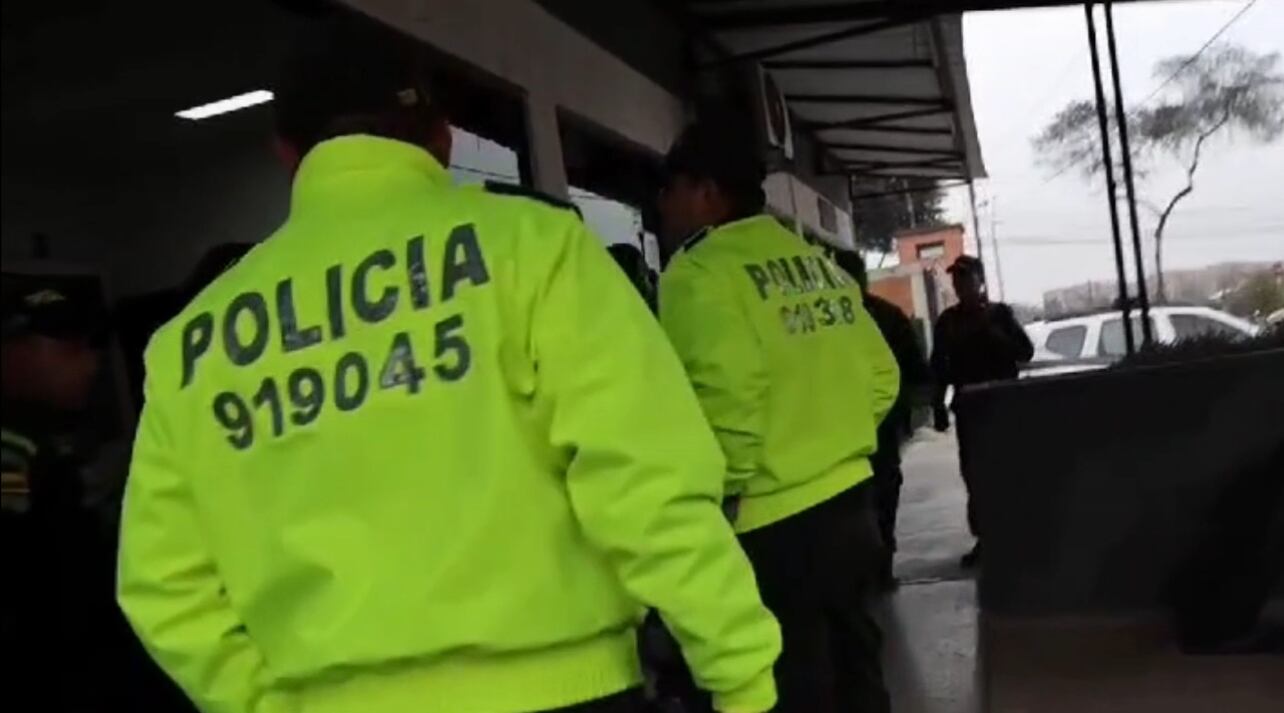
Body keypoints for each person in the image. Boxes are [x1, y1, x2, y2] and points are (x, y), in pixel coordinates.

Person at [116, 17, 779, 713]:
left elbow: (162, 583)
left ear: (286, 154)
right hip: (564, 692)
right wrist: (740, 675)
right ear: (442, 138)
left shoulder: (190, 343)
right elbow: (647, 483)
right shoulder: (536, 250)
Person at [656, 121, 900, 713]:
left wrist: (723, 494)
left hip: (773, 525)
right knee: (859, 673)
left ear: (706, 192)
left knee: (793, 689)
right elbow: (883, 376)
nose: (663, 207)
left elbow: (728, 397)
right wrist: (832, 439)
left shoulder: (699, 273)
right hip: (853, 507)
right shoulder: (816, 262)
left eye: (671, 190)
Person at [834, 250, 931, 589]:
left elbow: (914, 369)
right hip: (871, 426)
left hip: (863, 427)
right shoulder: (880, 315)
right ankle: (875, 567)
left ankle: (873, 568)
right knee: (877, 497)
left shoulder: (850, 319)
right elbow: (916, 370)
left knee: (868, 498)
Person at [929, 255, 1034, 567]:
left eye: (966, 278)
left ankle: (1016, 536)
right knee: (975, 477)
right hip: (970, 412)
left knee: (1008, 473)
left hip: (1004, 408)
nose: (960, 284)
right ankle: (986, 538)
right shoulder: (948, 322)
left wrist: (995, 333)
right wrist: (937, 405)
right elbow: (939, 367)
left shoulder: (999, 315)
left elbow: (1025, 352)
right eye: (956, 279)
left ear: (980, 281)